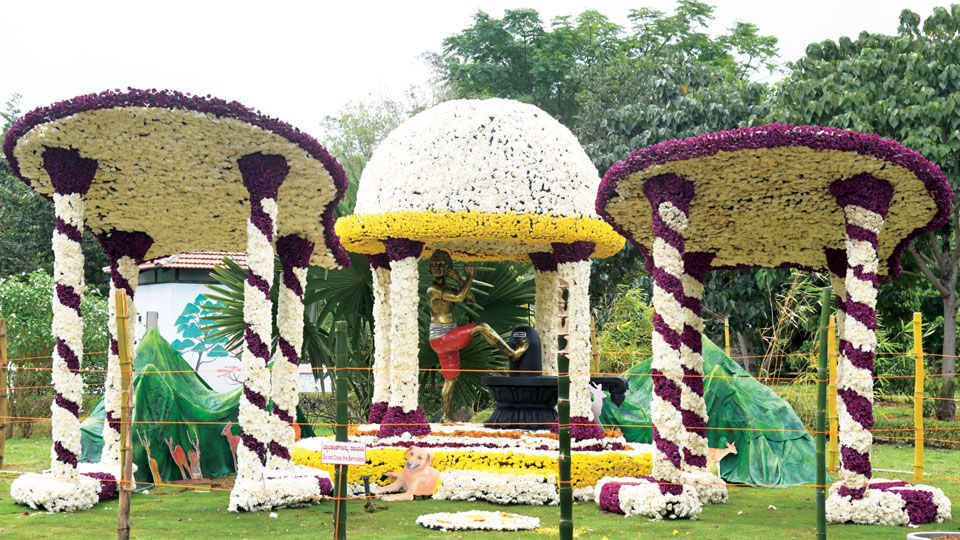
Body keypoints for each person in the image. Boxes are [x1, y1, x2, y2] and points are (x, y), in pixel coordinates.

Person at [426, 250, 528, 421]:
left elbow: (469, 300)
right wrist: (469, 277)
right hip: (442, 338)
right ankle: (512, 353)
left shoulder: (447, 288)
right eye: (435, 264)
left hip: (445, 339)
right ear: (429, 268)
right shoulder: (433, 289)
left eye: (442, 264)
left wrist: (460, 279)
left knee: (451, 378)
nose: (438, 268)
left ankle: (444, 417)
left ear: (448, 268)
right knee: (482, 327)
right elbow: (459, 297)